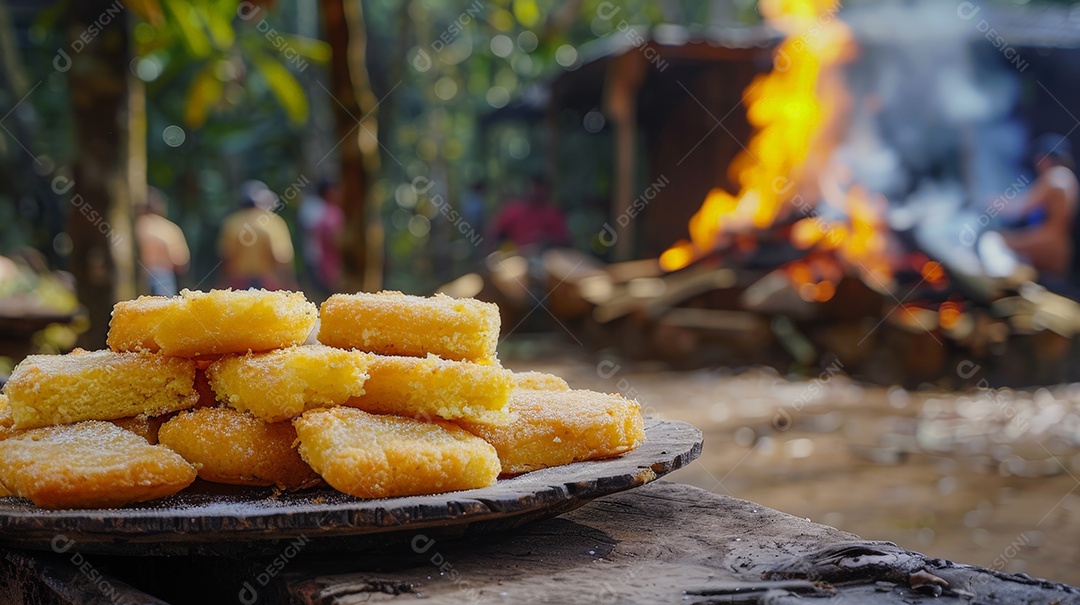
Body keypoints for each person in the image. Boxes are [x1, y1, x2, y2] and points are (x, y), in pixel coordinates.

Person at [1003, 134, 1079, 278]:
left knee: (997, 240)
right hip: (1062, 248)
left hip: (1047, 242)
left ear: (1044, 159)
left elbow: (1022, 207)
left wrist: (993, 204)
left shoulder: (1055, 176)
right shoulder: (1069, 177)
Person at [218, 180, 297, 290]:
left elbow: (226, 257)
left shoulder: (232, 222)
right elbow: (282, 258)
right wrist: (290, 283)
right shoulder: (274, 222)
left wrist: (223, 283)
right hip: (267, 282)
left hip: (238, 282)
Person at [135, 188, 189, 297]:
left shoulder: (135, 227)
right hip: (162, 277)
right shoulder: (168, 228)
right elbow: (180, 260)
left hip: (137, 277)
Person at [490, 178, 570, 251]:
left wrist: (548, 240)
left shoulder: (554, 213)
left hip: (547, 260)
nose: (538, 192)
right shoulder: (513, 210)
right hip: (516, 258)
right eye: (536, 187)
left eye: (541, 188)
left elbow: (565, 241)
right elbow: (497, 235)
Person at [314, 181, 345, 293]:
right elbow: (337, 241)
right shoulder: (333, 214)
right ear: (329, 193)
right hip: (336, 270)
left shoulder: (323, 214)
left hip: (327, 269)